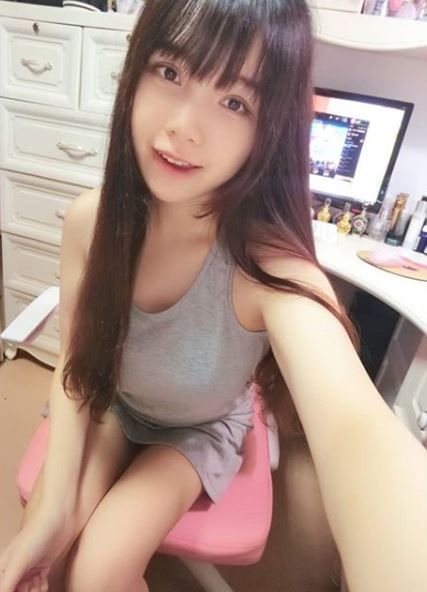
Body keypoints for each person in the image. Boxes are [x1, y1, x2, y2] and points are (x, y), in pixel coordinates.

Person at [1, 0, 427, 590]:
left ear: (270, 128)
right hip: (112, 405)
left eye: (235, 102)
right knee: (47, 550)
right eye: (170, 71)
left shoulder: (269, 268)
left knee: (97, 569)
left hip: (196, 431)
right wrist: (50, 512)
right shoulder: (91, 223)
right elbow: (77, 367)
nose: (184, 126)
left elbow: (358, 431)